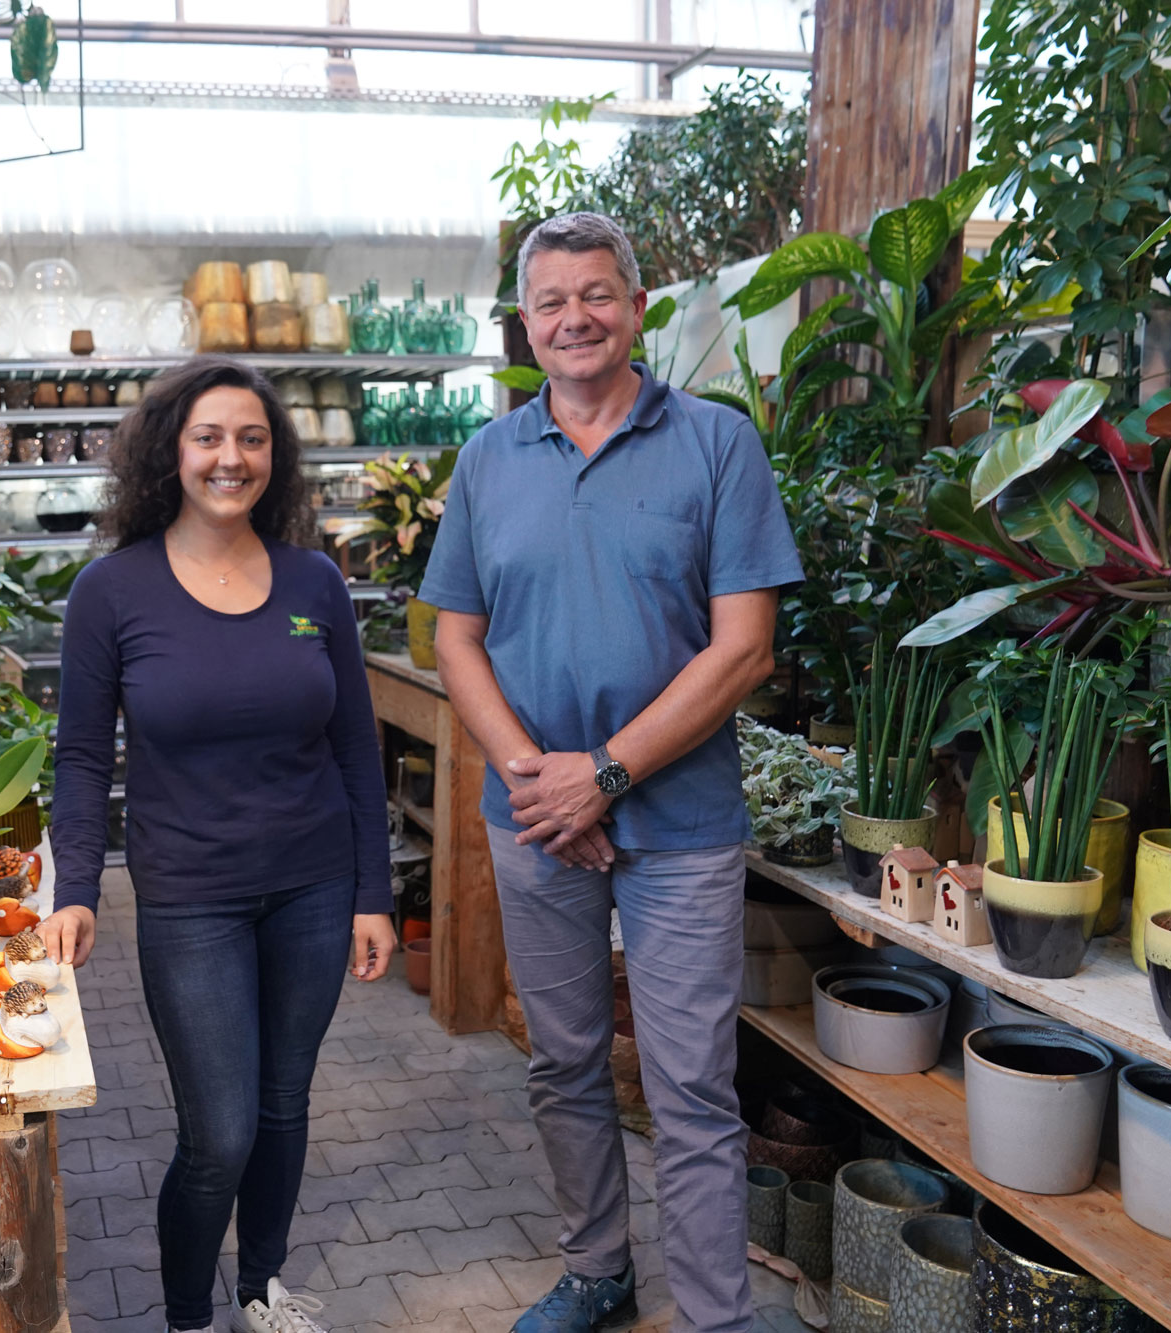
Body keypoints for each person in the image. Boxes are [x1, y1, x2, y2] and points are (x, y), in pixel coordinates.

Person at [418, 212, 802, 1333]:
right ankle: (596, 1270)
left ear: (637, 308)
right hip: (534, 814)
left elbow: (744, 645)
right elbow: (454, 639)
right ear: (524, 325)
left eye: (595, 294)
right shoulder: (488, 459)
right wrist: (544, 780)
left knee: (688, 1085)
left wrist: (610, 775)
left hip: (679, 820)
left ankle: (712, 1312)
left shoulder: (717, 443)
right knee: (565, 1063)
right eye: (549, 302)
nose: (573, 318)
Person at [41, 355, 398, 1333]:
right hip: (189, 896)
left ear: (272, 457)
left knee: (283, 1104)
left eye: (250, 437)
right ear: (169, 452)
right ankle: (191, 1314)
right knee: (220, 1131)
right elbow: (78, 757)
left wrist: (373, 893)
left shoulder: (313, 583)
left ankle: (261, 1290)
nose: (228, 457)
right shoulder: (111, 592)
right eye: (207, 437)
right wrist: (74, 884)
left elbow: (354, 752)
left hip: (314, 888)